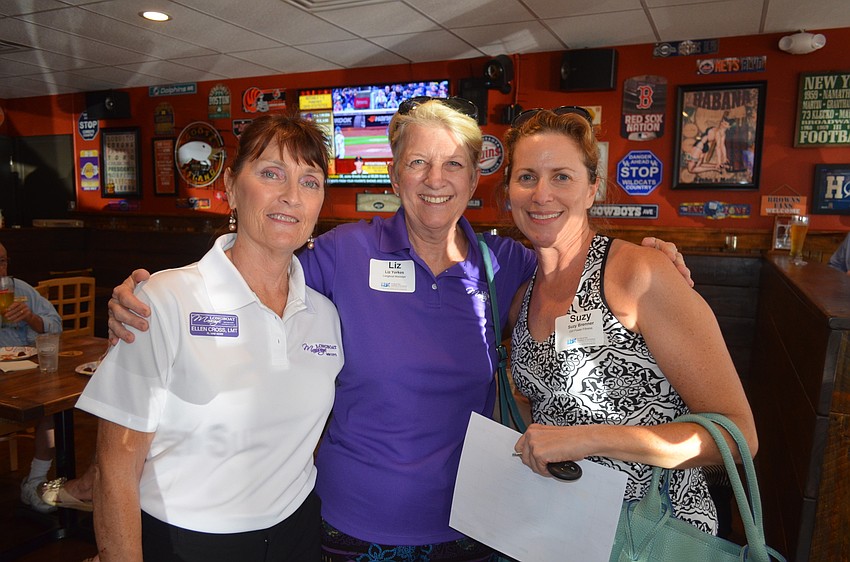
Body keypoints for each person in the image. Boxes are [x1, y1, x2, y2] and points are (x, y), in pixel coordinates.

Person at [106, 98, 693, 561]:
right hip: (351, 525)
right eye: (417, 162)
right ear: (394, 175)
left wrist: (649, 257)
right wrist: (154, 292)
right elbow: (259, 268)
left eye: (453, 164)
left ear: (474, 180)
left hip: (475, 521)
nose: (435, 179)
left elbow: (575, 265)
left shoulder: (503, 264)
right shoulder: (343, 252)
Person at [76, 114, 344, 561]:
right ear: (231, 187)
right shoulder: (162, 300)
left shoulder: (325, 315)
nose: (291, 195)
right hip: (184, 542)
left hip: (297, 534)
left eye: (310, 182)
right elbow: (115, 469)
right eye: (271, 173)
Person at [502, 107, 757, 535]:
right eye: (527, 177)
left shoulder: (639, 273)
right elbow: (539, 402)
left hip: (653, 532)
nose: (541, 194)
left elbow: (738, 436)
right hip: (561, 527)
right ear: (509, 190)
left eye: (561, 176)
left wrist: (588, 437)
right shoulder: (522, 297)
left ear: (592, 189)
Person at [0, 242, 63, 514]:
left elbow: (56, 326)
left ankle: (35, 482)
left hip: (23, 378)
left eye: (2, 261)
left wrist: (32, 318)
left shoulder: (21, 290)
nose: (0, 269)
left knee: (53, 405)